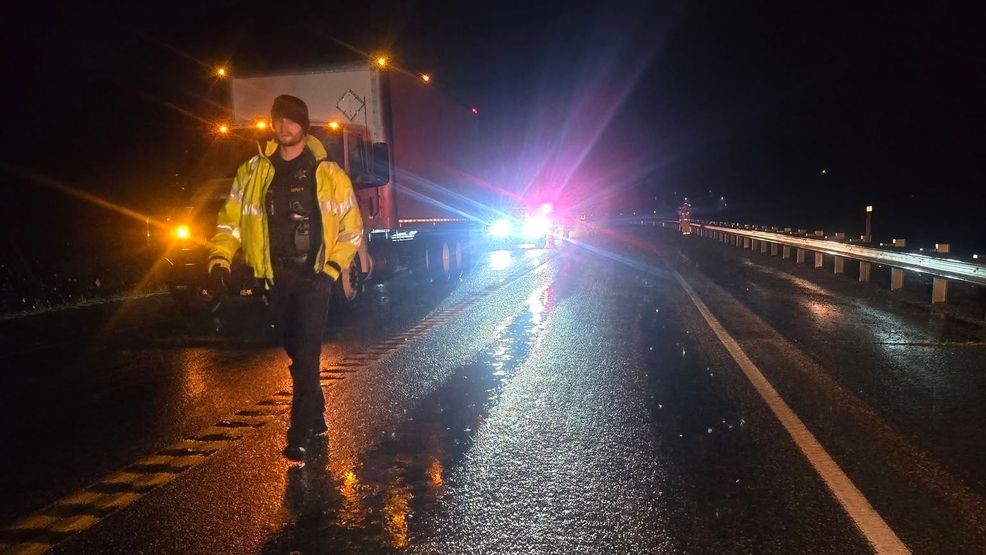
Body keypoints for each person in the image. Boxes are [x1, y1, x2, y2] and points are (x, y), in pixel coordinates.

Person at [206, 94, 363, 461]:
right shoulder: (253, 172)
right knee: (296, 351)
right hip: (274, 278)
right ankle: (318, 415)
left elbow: (351, 229)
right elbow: (230, 221)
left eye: (291, 120)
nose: (283, 126)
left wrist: (330, 271)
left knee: (307, 353)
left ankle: (300, 431)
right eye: (279, 120)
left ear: (303, 126)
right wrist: (220, 258)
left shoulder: (328, 172)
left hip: (314, 278)